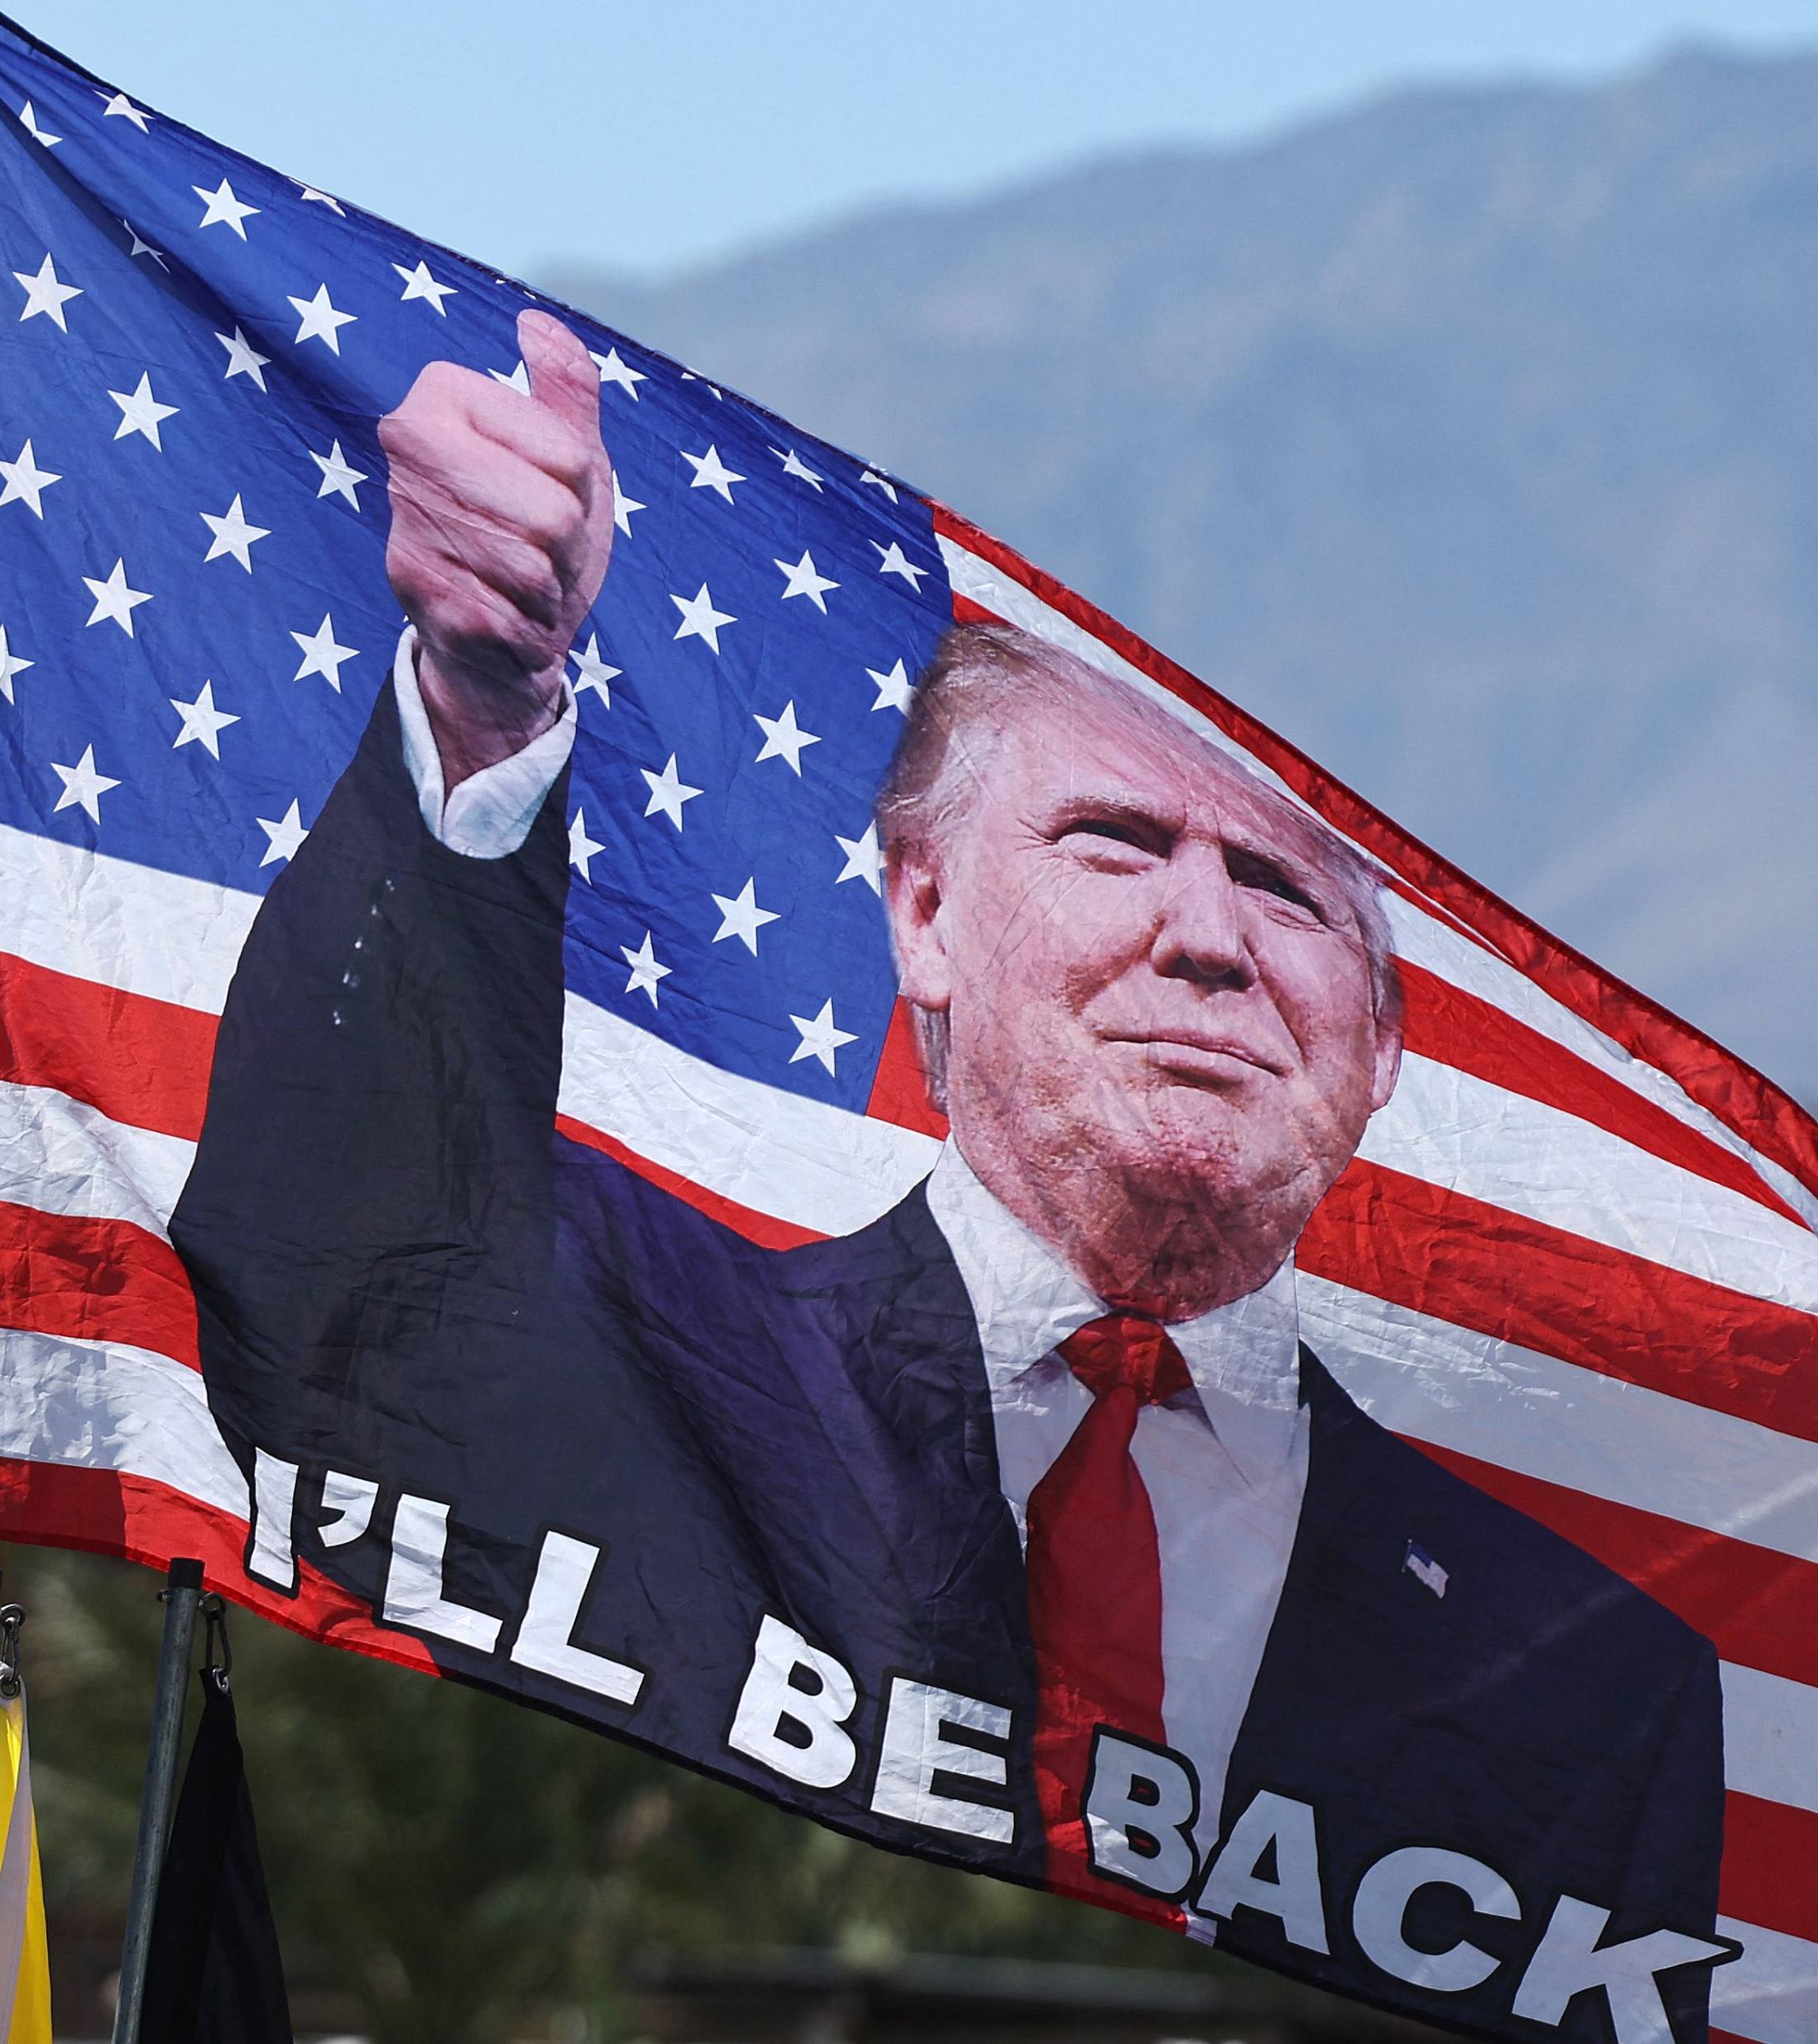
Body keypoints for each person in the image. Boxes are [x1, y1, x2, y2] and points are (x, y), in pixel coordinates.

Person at [171, 313, 1727, 2039]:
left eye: (1285, 894)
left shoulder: (1595, 1673)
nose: (1205, 938)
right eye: (1114, 843)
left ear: (1374, 1047)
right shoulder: (633, 1332)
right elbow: (327, 1244)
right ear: (918, 916)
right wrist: (482, 702)